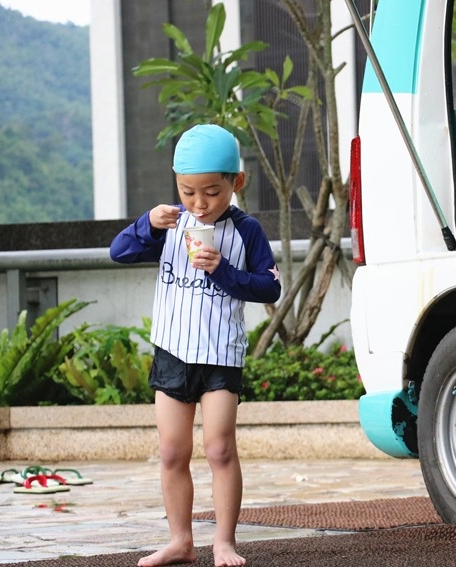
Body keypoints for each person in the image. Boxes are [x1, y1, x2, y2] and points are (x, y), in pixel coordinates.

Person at [110, 124, 282, 567]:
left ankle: (224, 542)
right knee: (172, 451)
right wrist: (146, 224)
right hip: (173, 350)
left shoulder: (248, 231)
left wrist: (222, 269)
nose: (199, 204)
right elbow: (119, 253)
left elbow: (269, 288)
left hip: (221, 356)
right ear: (176, 183)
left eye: (211, 191)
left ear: (236, 183)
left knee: (220, 448)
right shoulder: (170, 224)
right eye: (188, 191)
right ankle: (180, 540)